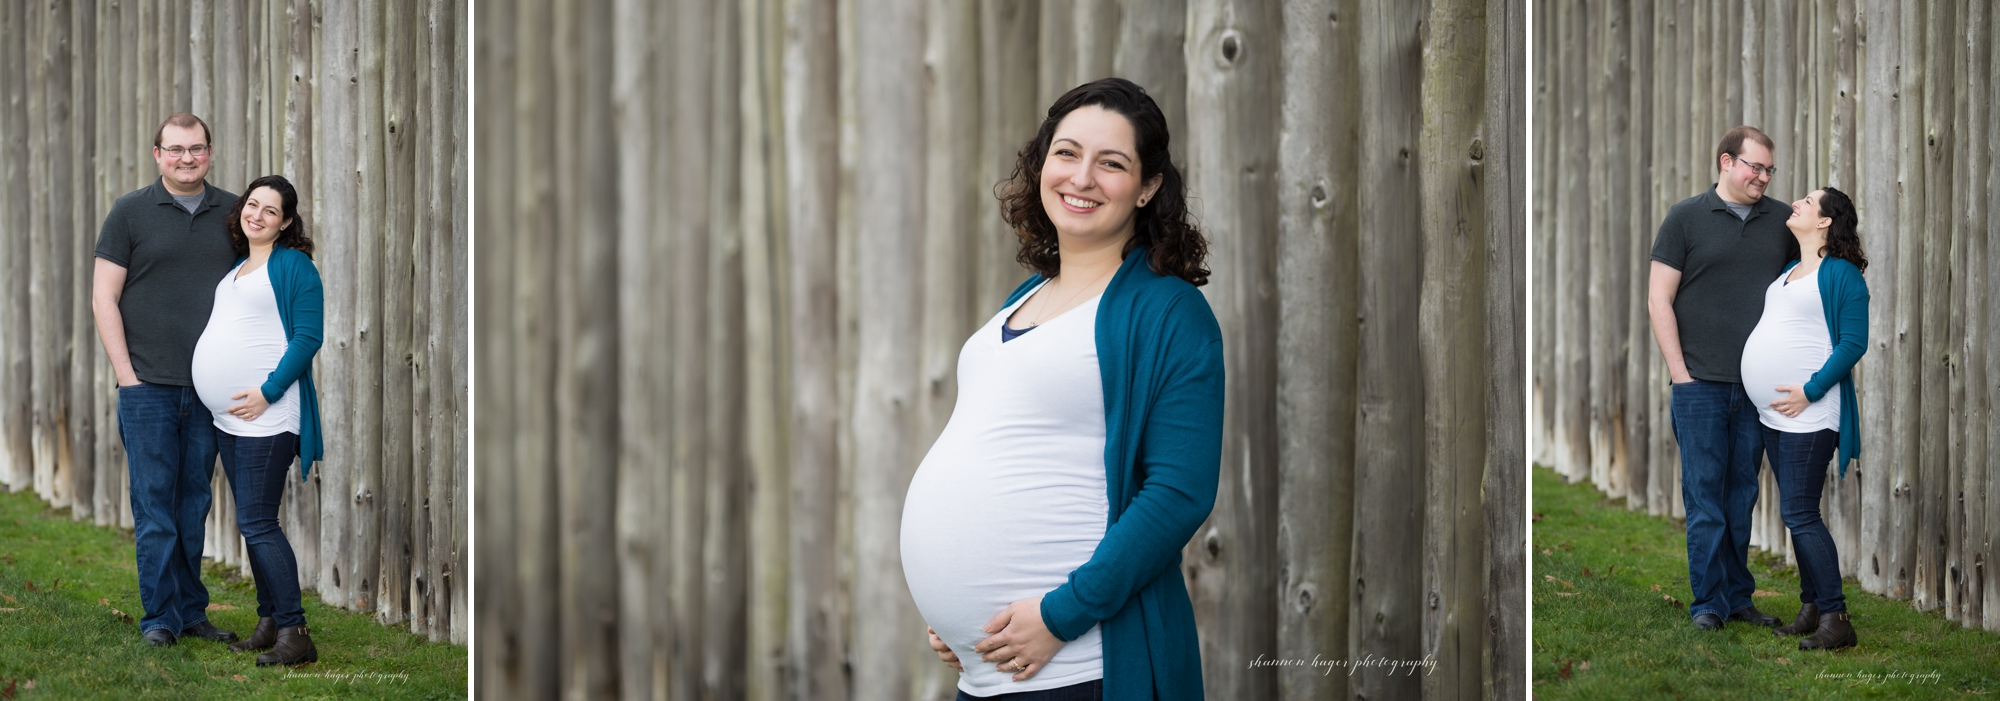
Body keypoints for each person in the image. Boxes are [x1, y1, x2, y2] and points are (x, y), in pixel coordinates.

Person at [900, 77, 1223, 701]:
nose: (1082, 177)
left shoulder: (1168, 311)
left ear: (1148, 187)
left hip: (1079, 665)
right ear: (1041, 163)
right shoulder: (1025, 297)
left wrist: (1061, 615)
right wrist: (959, 615)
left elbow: (1179, 492)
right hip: (988, 668)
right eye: (1067, 153)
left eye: (1112, 163)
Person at [91, 113, 242, 649]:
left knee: (193, 503)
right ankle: (159, 618)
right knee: (155, 507)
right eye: (175, 149)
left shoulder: (233, 213)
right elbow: (104, 297)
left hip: (208, 390)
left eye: (196, 149)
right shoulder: (129, 212)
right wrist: (127, 378)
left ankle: (192, 612)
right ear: (158, 154)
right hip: (148, 387)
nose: (186, 158)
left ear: (209, 152)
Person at [1647, 126, 1798, 632]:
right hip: (1700, 385)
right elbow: (1659, 299)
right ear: (1726, 162)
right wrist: (1681, 376)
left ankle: (1737, 599)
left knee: (1741, 497)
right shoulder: (1685, 218)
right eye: (1755, 166)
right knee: (1705, 498)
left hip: (1757, 390)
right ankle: (1708, 604)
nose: (1763, 177)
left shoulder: (1781, 222)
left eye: (1769, 169)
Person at [191, 174, 325, 666]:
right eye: (253, 205)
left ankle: (295, 631)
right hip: (231, 418)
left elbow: (308, 338)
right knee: (254, 523)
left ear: (285, 222)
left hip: (269, 415)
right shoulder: (238, 268)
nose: (258, 215)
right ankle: (269, 621)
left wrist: (267, 392)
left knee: (259, 522)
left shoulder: (294, 266)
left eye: (271, 210)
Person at [1741, 187, 1867, 651]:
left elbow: (1853, 343)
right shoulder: (1789, 272)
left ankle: (1837, 617)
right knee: (1798, 514)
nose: (1797, 203)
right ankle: (1812, 608)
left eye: (1809, 202)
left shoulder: (1842, 275)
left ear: (1825, 221)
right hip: (1776, 415)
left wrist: (1810, 391)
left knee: (1799, 513)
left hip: (1811, 414)